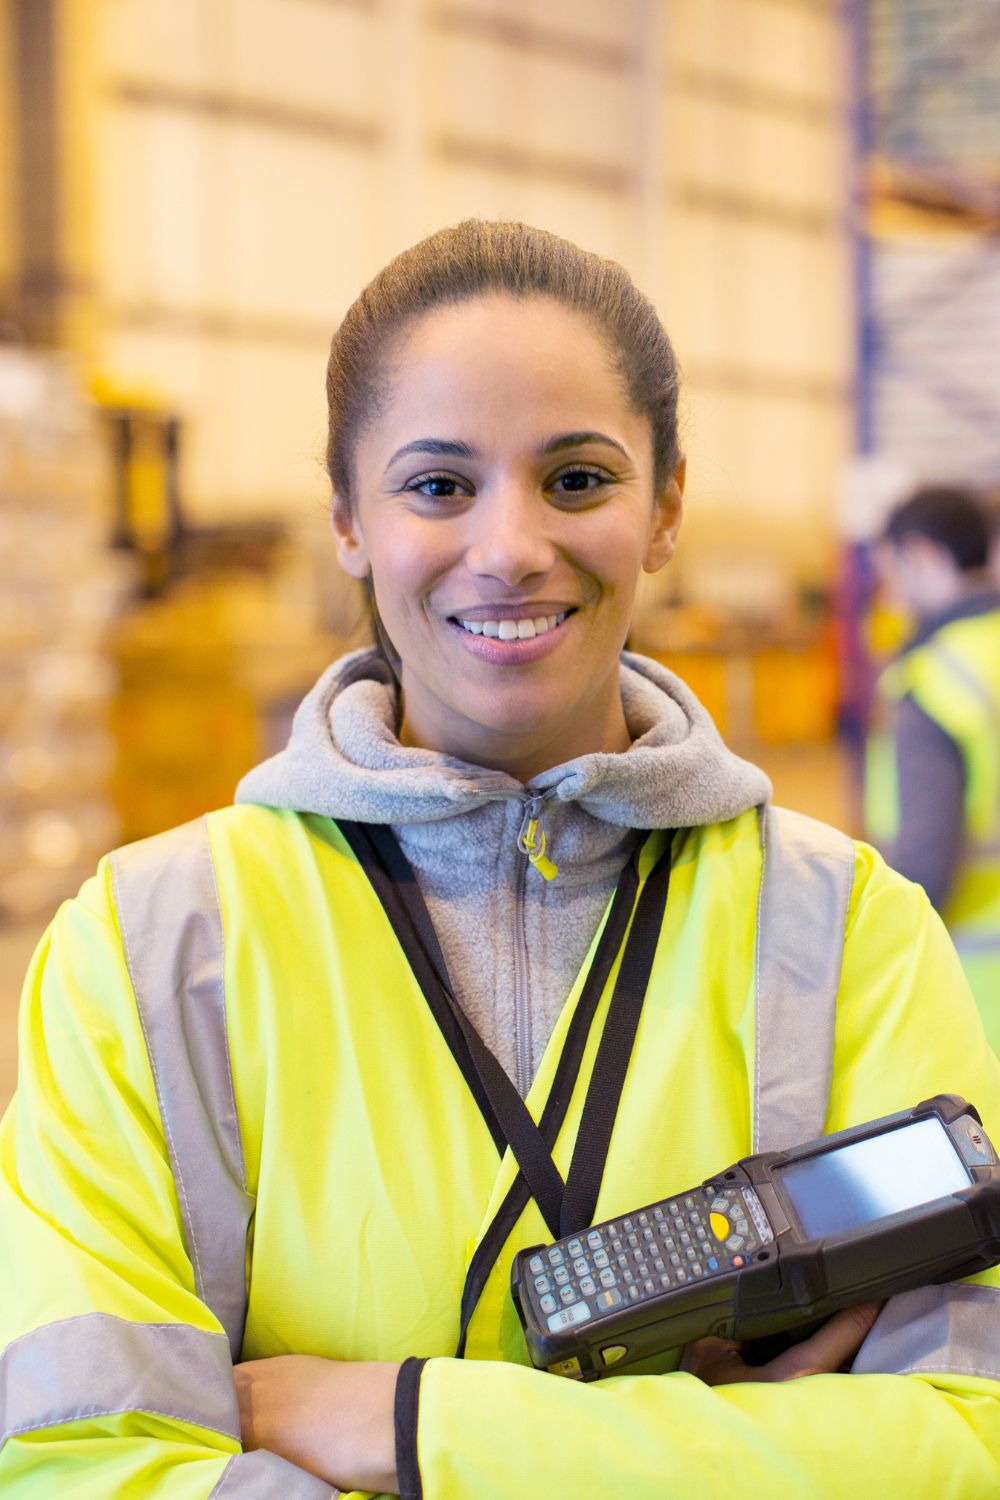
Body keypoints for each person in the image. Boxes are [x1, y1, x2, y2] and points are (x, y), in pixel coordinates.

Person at [2, 222, 1000, 1499]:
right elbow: (79, 1465)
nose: (512, 545)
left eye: (577, 479)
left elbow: (964, 1447)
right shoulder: (149, 944)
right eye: (436, 486)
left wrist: (415, 1429)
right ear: (348, 521)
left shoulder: (849, 929)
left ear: (667, 508)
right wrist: (731, 1458)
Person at [867, 485, 1000, 1051]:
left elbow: (926, 867)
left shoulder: (936, 680)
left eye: (891, 574)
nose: (889, 595)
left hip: (977, 982)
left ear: (922, 555)